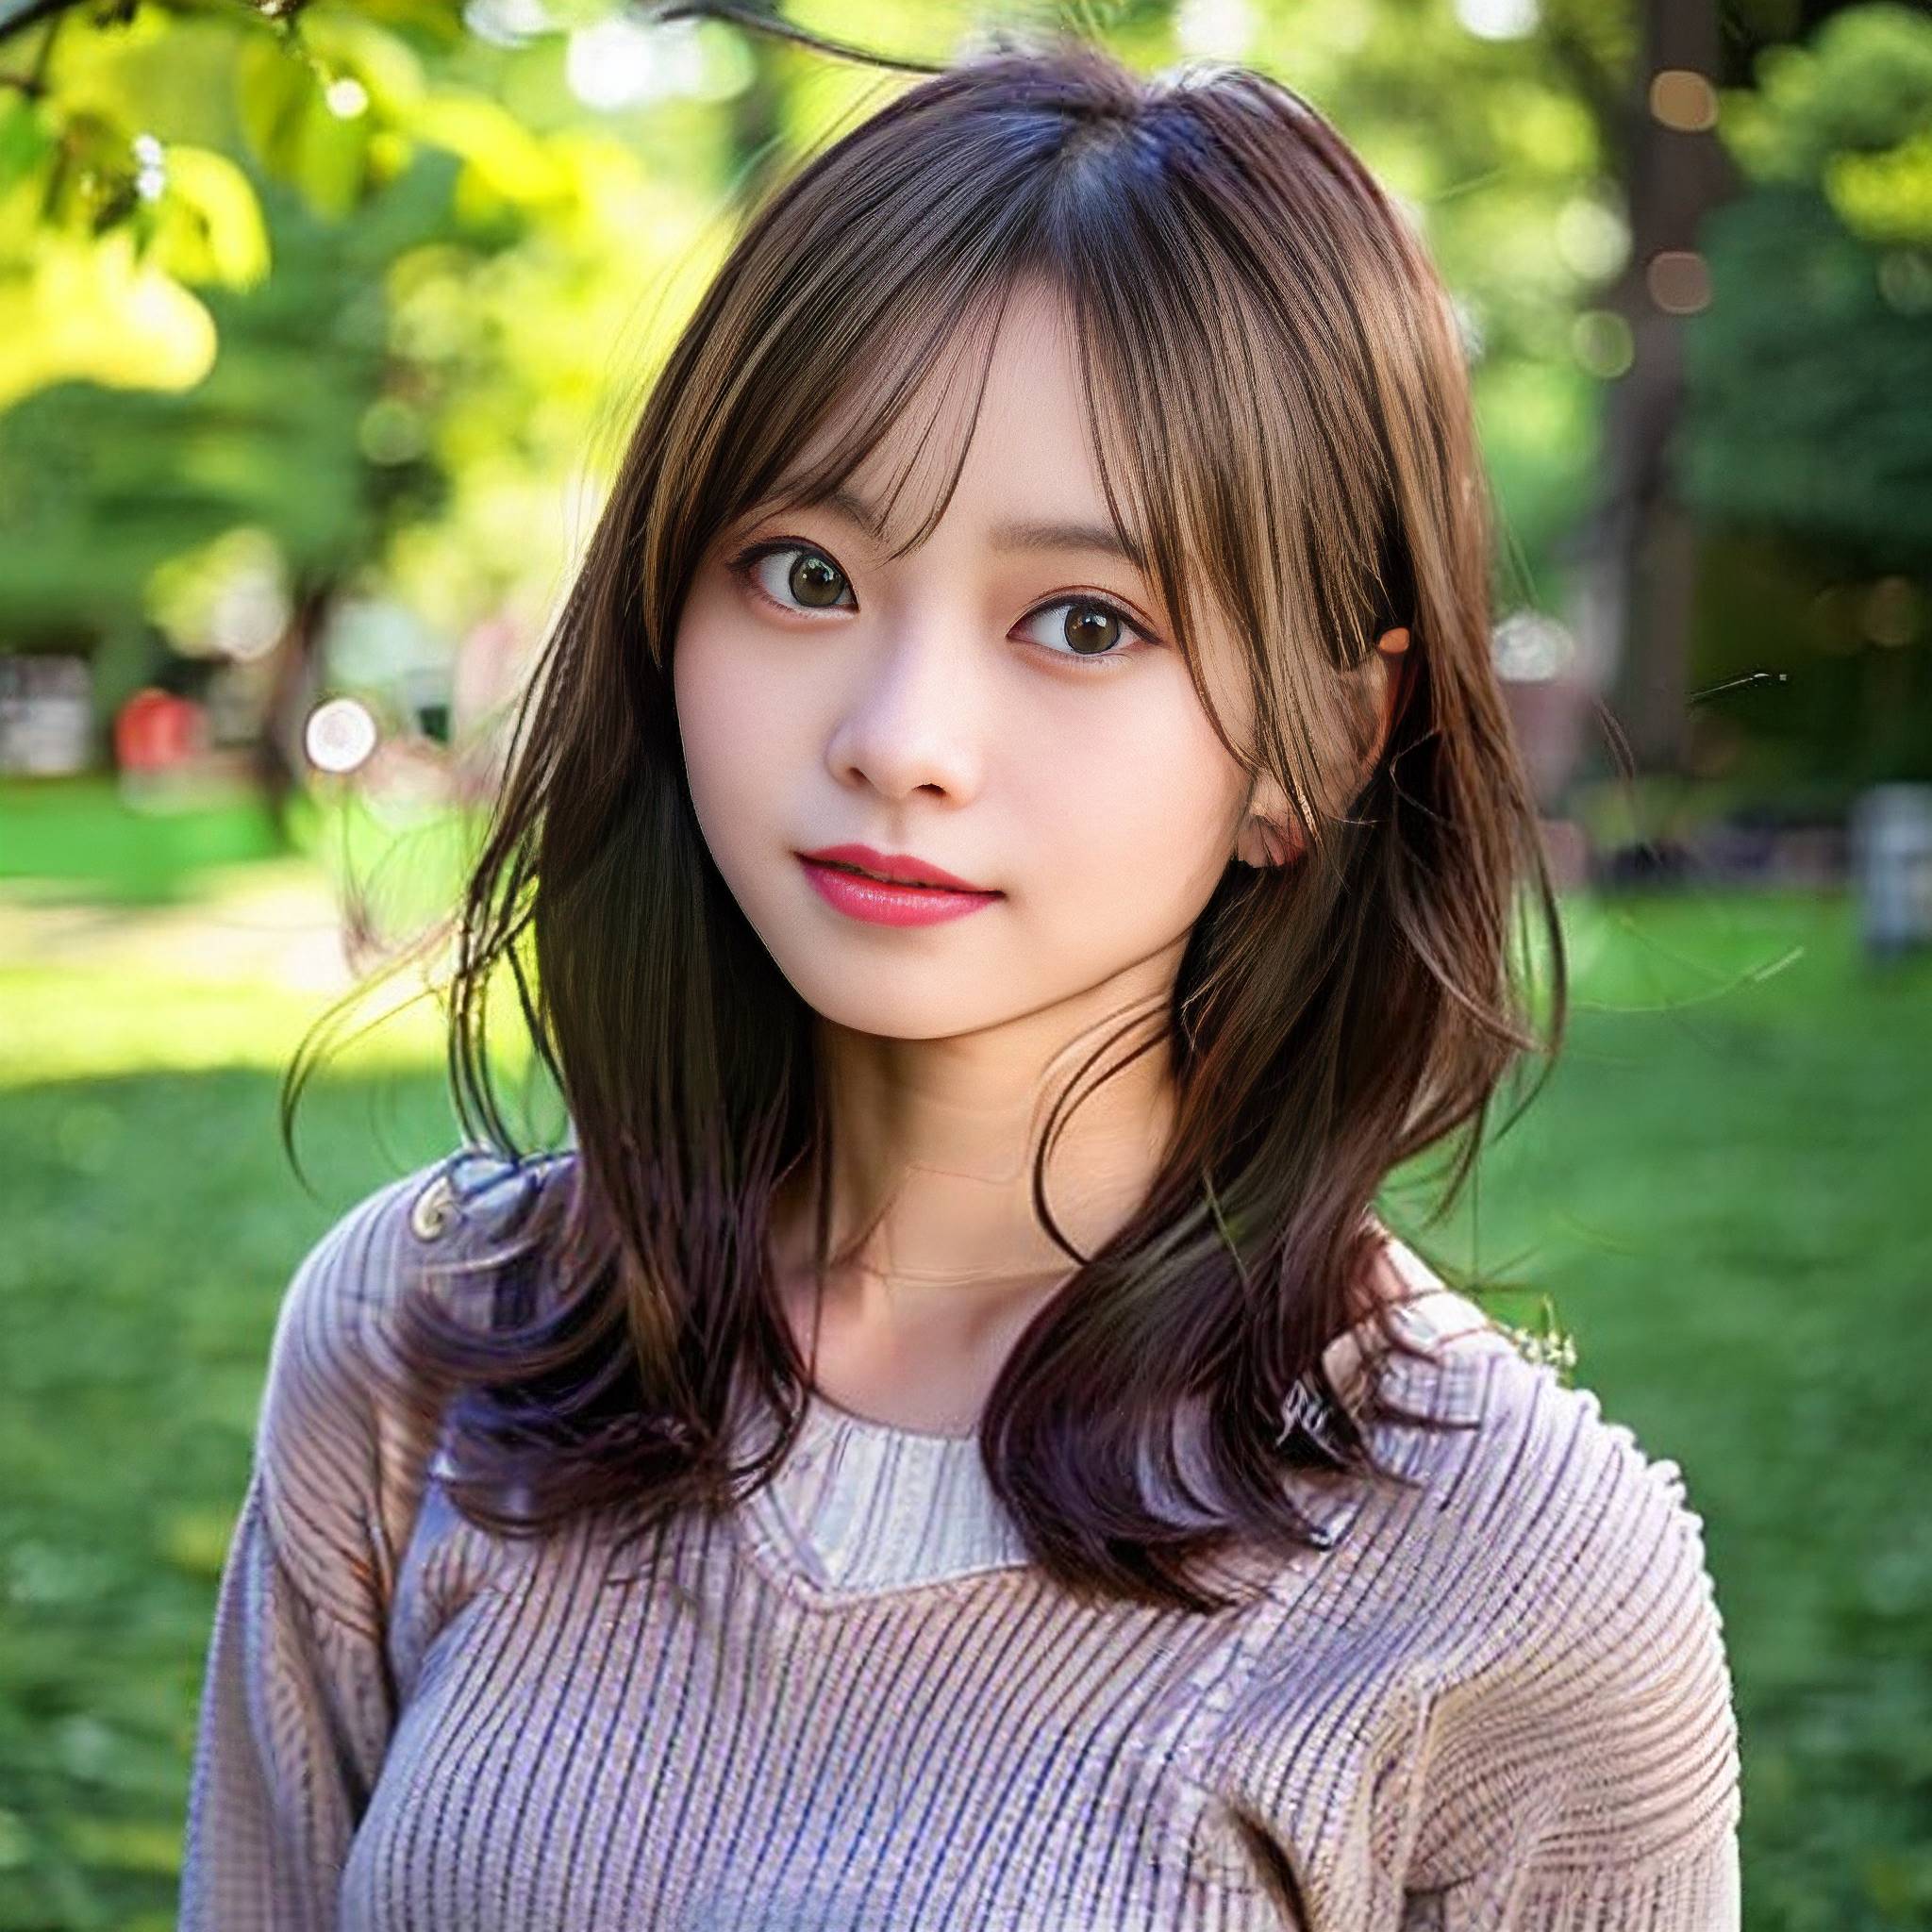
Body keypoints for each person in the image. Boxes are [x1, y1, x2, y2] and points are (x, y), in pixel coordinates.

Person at [176, 22, 1741, 1931]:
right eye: (803, 572)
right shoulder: (424, 1345)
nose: (901, 735)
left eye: (1082, 621)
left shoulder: (1517, 1578)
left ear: (1319, 744)